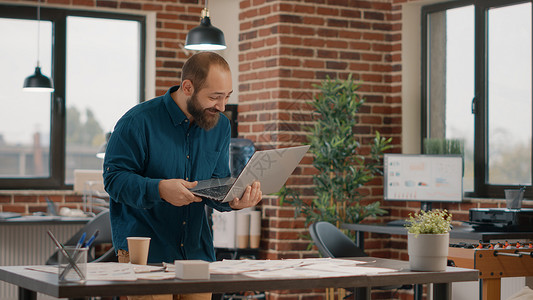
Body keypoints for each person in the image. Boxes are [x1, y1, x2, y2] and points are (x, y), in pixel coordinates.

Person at [103, 52, 262, 300]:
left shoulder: (219, 126)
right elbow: (114, 181)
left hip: (196, 251)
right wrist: (161, 189)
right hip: (147, 252)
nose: (221, 107)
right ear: (187, 87)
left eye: (227, 97)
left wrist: (232, 201)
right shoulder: (137, 121)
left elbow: (216, 183)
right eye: (214, 97)